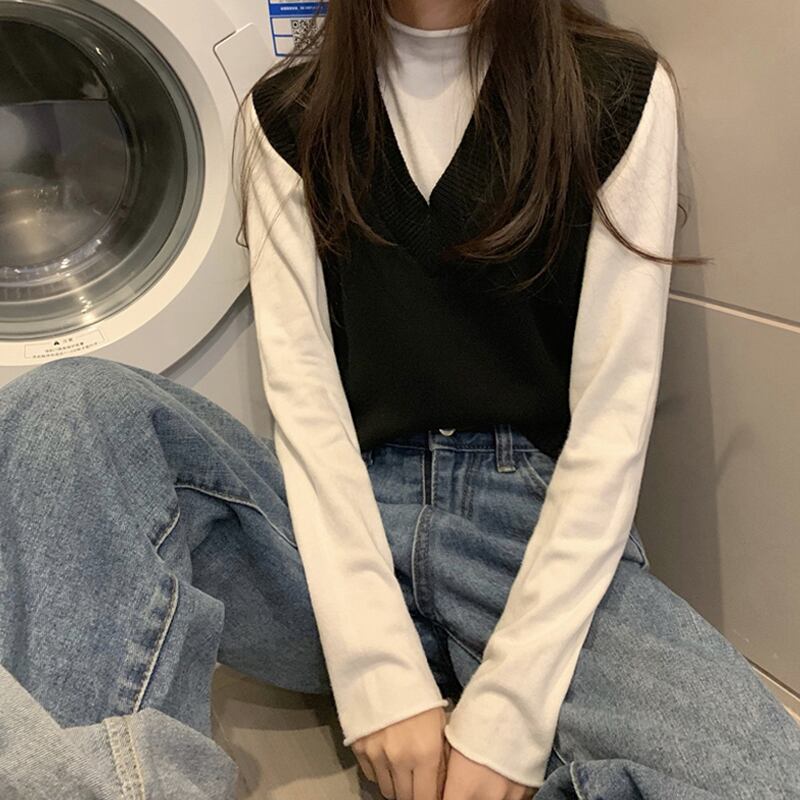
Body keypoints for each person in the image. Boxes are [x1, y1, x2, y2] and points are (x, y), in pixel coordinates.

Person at [1, 1, 798, 799]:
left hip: (527, 535)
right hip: (333, 530)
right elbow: (306, 404)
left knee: (762, 780)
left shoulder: (615, 93)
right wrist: (376, 674)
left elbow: (611, 424)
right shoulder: (287, 114)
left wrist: (509, 717)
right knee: (65, 407)